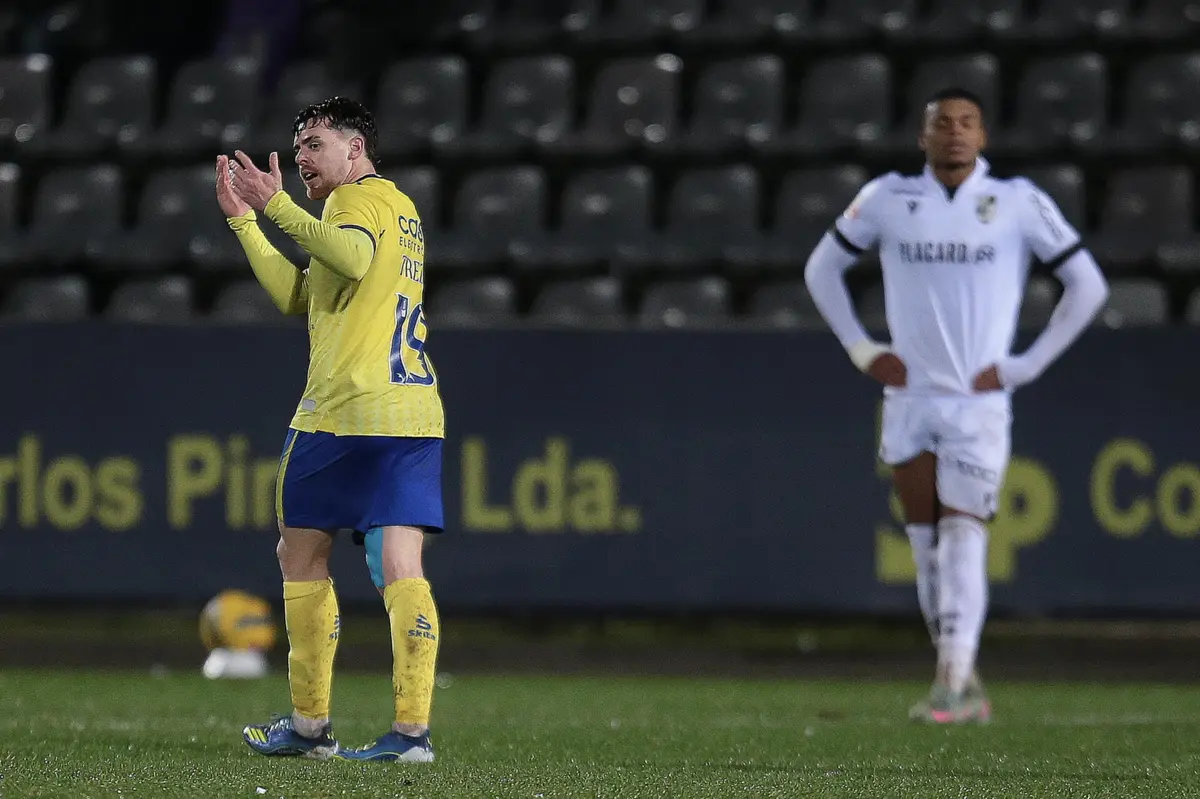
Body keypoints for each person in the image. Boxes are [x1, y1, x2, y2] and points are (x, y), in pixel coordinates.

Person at [804, 88, 1109, 723]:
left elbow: (1088, 284)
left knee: (964, 535)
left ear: (983, 137)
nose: (954, 133)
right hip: (910, 396)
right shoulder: (889, 198)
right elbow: (820, 268)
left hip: (977, 404)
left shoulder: (1017, 203)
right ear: (923, 137)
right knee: (924, 543)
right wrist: (861, 349)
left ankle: (949, 680)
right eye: (942, 124)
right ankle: (961, 679)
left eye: (967, 123)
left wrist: (1027, 364)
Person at [216, 96, 443, 761]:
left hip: (344, 411)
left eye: (314, 143)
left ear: (355, 148)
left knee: (301, 554)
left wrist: (275, 207)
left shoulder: (351, 204)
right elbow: (301, 294)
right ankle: (411, 733)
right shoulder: (400, 209)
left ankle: (311, 727)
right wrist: (245, 225)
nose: (300, 159)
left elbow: (345, 258)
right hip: (413, 410)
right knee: (402, 564)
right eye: (297, 148)